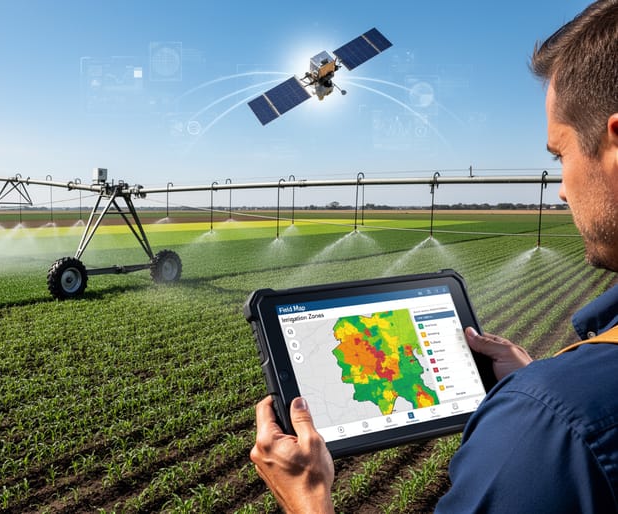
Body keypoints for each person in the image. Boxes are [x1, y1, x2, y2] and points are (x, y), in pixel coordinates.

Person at [250, 1, 618, 512]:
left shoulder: (553, 428)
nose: (560, 189)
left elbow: (569, 423)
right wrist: (535, 379)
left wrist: (307, 500)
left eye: (560, 155)